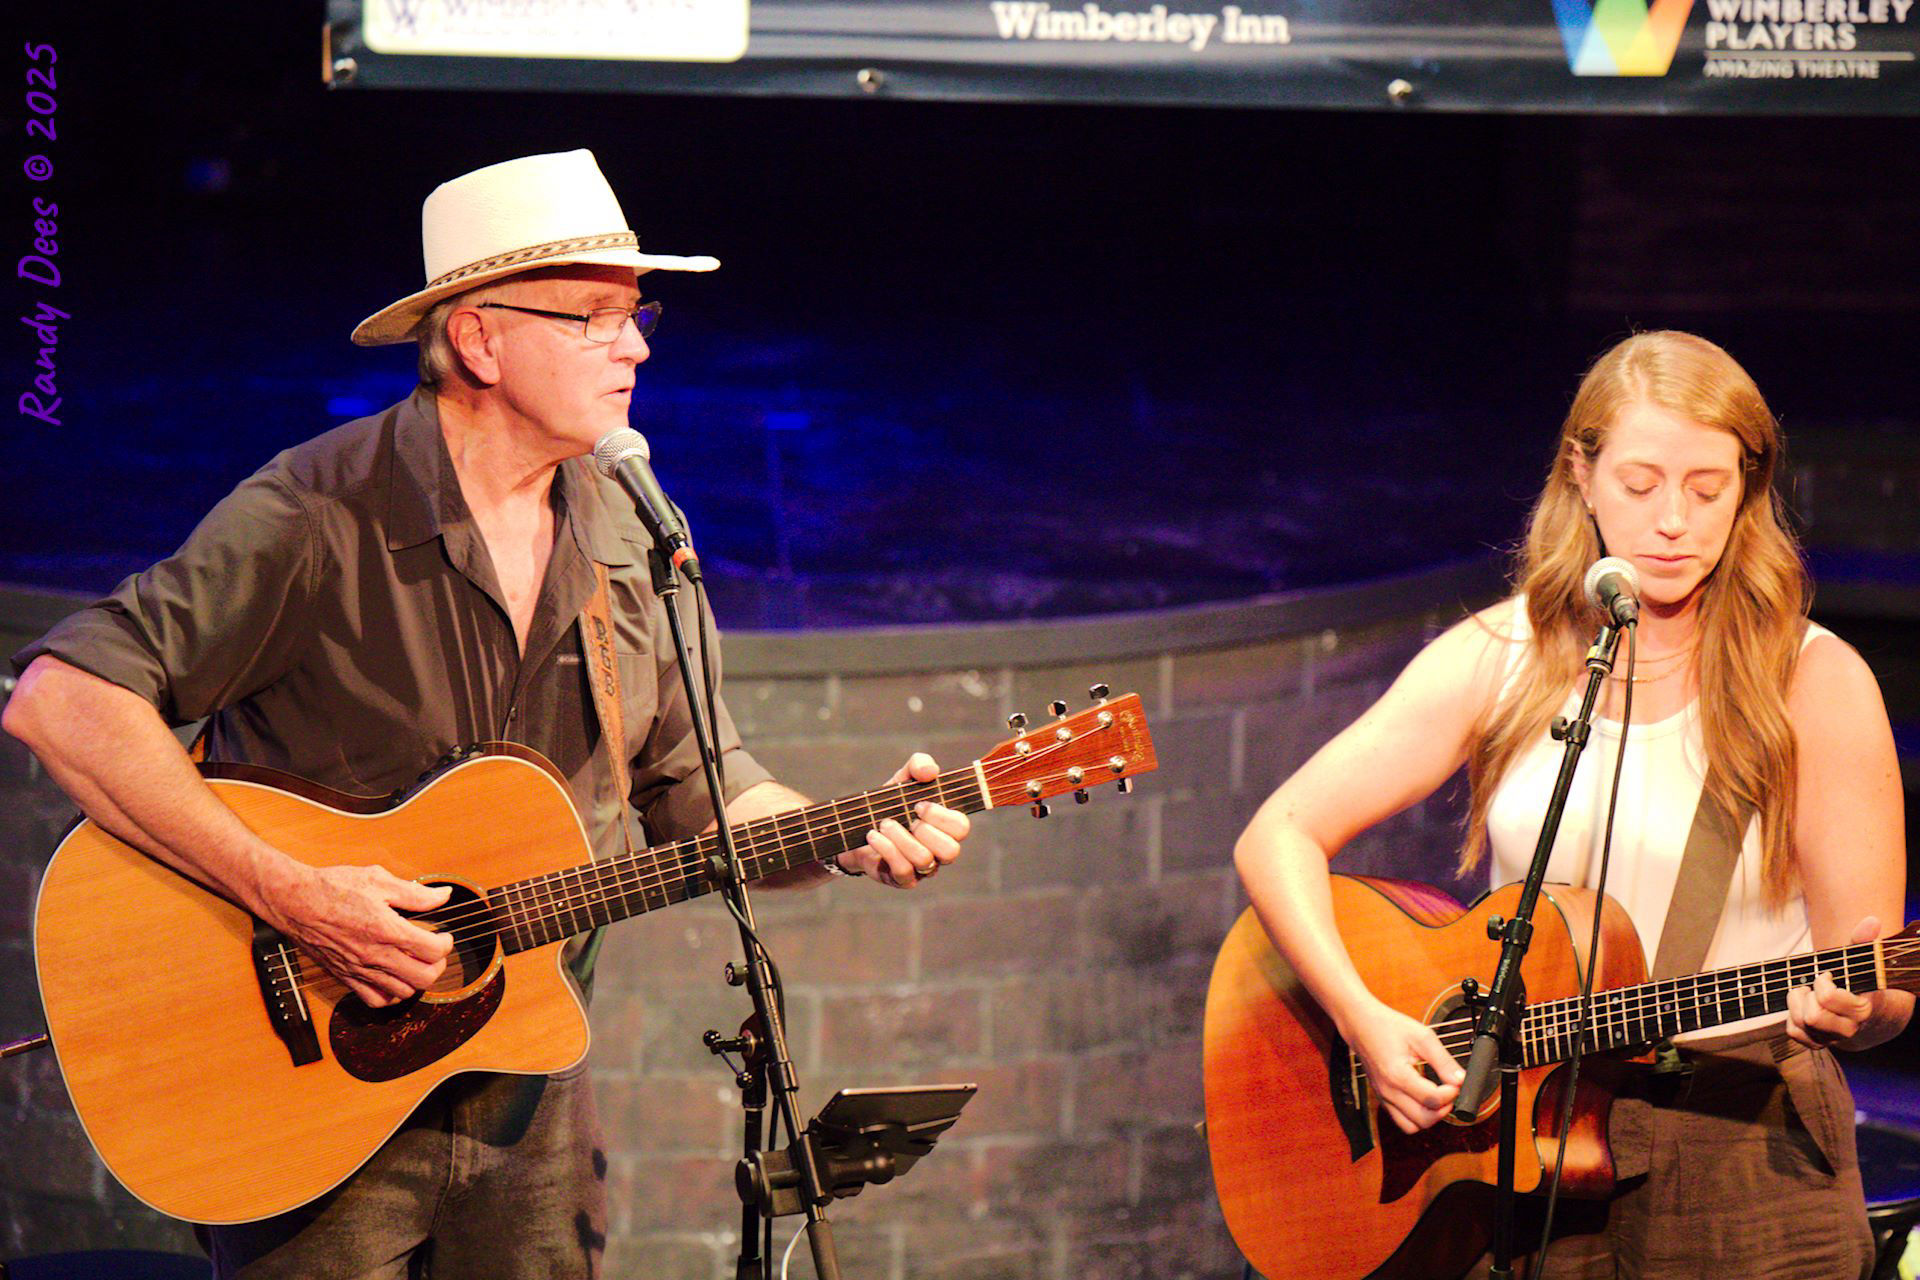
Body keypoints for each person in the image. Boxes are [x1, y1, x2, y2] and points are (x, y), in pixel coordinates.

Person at [2, 149, 972, 1278]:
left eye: (637, 314)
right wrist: (297, 897)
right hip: (308, 1085)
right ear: (478, 336)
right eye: (595, 317)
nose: (639, 347)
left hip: (528, 1084)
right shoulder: (314, 514)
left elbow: (698, 785)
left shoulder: (633, 529)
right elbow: (61, 699)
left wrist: (842, 828)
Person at [1233, 330, 1906, 1278]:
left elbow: (1878, 985)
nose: (1673, 521)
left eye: (1707, 489)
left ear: (1748, 491)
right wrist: (1362, 1019)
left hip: (1745, 1153)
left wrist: (1863, 1010)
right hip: (1516, 1145)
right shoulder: (1499, 655)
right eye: (1640, 485)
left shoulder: (1814, 680)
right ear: (1581, 474)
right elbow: (1281, 833)